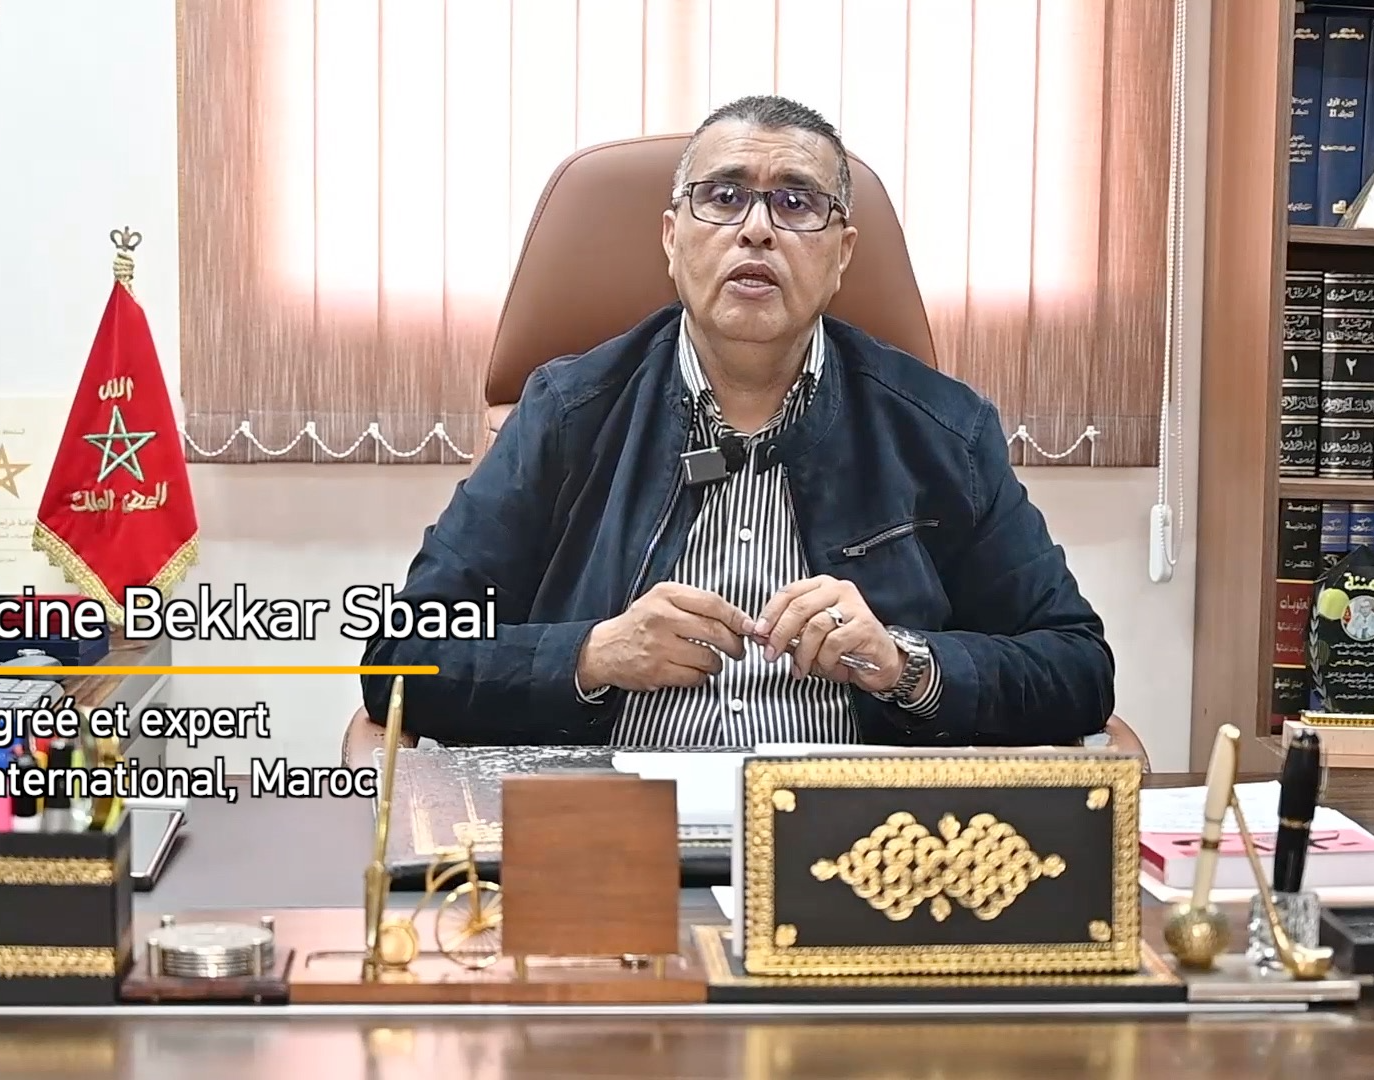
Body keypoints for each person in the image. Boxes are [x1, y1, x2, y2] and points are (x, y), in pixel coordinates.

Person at [359, 95, 1114, 748]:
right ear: (672, 237)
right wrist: (594, 654)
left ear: (843, 254)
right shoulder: (567, 412)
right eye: (722, 197)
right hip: (613, 823)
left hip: (848, 831)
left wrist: (905, 664)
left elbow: (1078, 667)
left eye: (797, 203)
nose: (756, 229)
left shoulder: (942, 431)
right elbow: (401, 659)